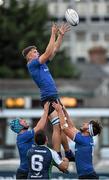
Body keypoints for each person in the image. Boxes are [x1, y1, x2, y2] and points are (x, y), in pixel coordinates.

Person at [22, 22, 74, 161]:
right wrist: (52, 33)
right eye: (34, 51)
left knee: (63, 126)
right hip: (48, 98)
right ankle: (57, 154)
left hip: (54, 97)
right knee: (58, 126)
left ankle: (67, 152)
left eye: (36, 50)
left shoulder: (41, 63)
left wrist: (60, 36)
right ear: (28, 56)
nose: (36, 51)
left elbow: (54, 50)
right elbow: (48, 52)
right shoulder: (32, 64)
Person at [52, 101, 102, 179]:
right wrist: (64, 111)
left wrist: (59, 111)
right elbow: (71, 127)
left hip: (88, 176)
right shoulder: (86, 137)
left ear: (88, 130)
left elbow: (65, 128)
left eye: (87, 124)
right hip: (88, 175)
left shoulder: (83, 140)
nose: (84, 123)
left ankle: (68, 153)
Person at [9, 102, 50, 179]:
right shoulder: (23, 136)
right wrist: (46, 111)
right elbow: (39, 127)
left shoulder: (28, 135)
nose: (24, 121)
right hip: (24, 173)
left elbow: (41, 126)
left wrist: (47, 114)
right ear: (19, 126)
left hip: (30, 172)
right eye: (21, 121)